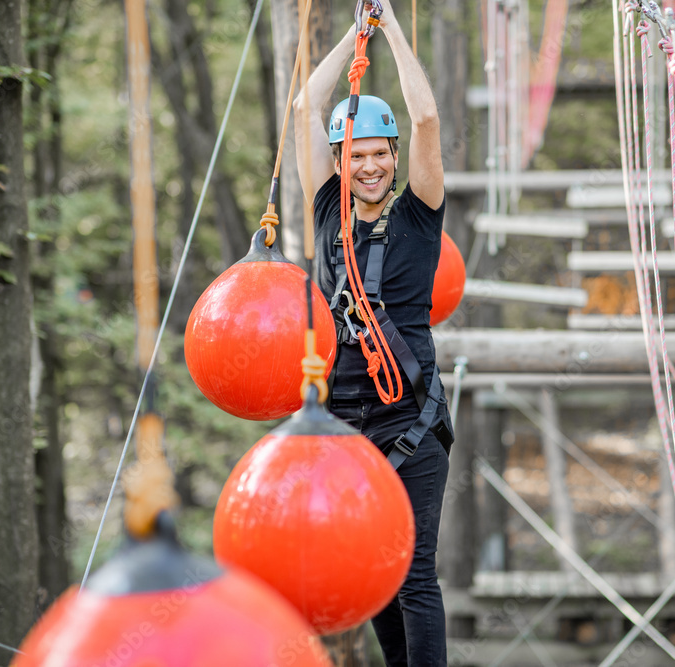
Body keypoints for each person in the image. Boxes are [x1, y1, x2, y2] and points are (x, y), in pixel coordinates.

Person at [294, 1, 452, 664]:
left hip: (409, 423)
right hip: (344, 425)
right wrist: (352, 38)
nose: (369, 167)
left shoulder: (418, 217)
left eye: (379, 155)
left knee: (412, 573)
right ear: (341, 157)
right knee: (377, 577)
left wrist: (387, 29)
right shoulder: (326, 207)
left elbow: (426, 119)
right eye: (356, 155)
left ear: (393, 157)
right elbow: (306, 105)